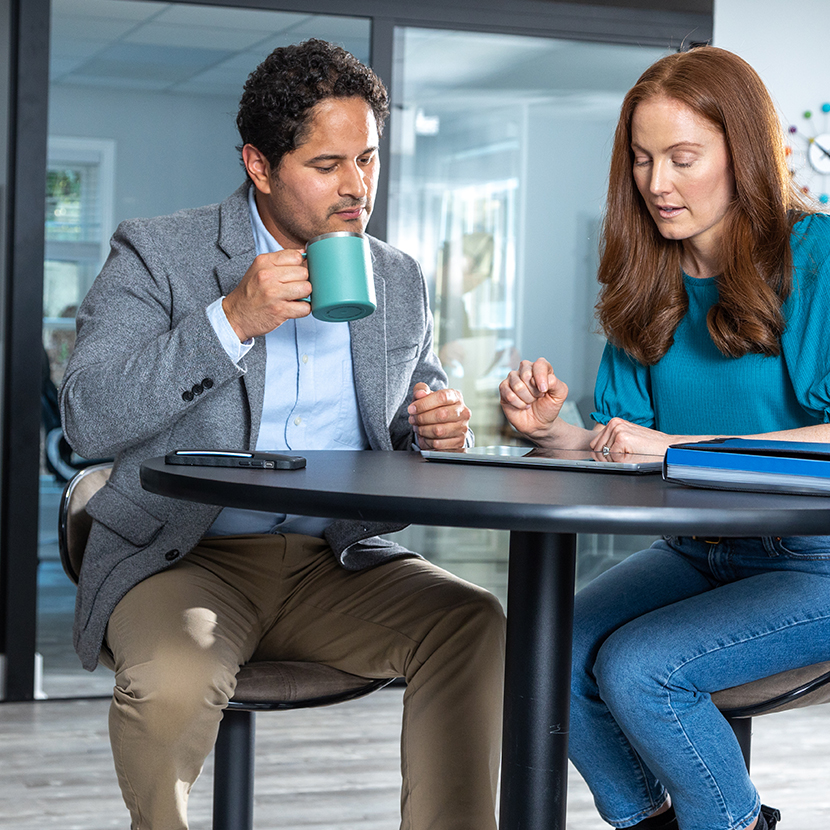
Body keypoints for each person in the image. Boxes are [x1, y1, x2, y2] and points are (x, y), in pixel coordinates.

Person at [60, 39, 505, 830]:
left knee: (473, 622)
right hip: (186, 556)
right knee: (170, 682)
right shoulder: (160, 254)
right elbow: (89, 415)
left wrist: (434, 428)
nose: (357, 187)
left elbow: (409, 418)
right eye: (328, 164)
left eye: (368, 159)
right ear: (259, 165)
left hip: (334, 560)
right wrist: (229, 321)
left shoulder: (397, 277)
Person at [499, 45, 830, 830]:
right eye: (643, 160)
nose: (657, 183)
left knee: (642, 668)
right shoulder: (650, 276)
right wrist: (553, 436)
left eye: (683, 157)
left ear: (744, 155)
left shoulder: (815, 259)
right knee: (543, 651)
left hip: (816, 557)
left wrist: (679, 451)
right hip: (698, 550)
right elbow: (628, 444)